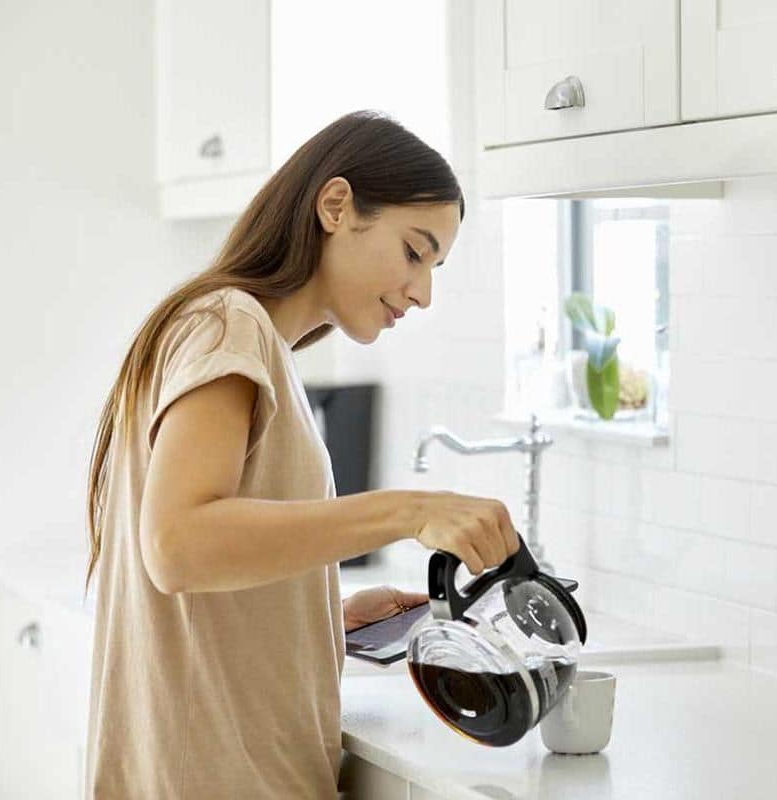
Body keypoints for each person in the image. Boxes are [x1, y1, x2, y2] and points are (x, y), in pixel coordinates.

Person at [83, 109, 520, 799]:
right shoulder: (228, 325)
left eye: (434, 265)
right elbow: (177, 545)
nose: (423, 292)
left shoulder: (243, 338)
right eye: (414, 251)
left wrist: (322, 614)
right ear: (337, 206)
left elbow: (199, 576)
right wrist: (408, 510)